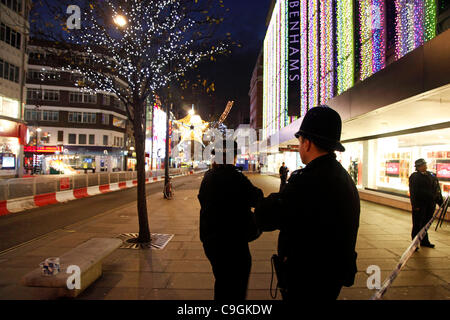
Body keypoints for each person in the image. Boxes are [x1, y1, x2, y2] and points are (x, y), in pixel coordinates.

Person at [255, 105, 360, 301]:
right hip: (332, 276)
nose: (299, 145)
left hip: (307, 278)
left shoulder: (307, 180)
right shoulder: (344, 178)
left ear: (308, 143)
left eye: (300, 140)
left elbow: (266, 217)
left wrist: (262, 201)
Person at [198, 140, 263, 300]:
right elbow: (257, 197)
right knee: (236, 288)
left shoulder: (208, 177)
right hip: (234, 244)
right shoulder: (236, 177)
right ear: (233, 157)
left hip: (212, 243)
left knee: (222, 283)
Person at [409, 158, 443, 249]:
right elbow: (413, 192)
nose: (425, 166)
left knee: (426, 224)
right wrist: (415, 205)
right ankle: (414, 244)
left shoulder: (431, 175)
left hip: (430, 204)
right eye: (423, 165)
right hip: (420, 205)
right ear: (418, 167)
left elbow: (437, 189)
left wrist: (440, 201)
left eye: (425, 164)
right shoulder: (415, 177)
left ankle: (424, 241)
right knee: (417, 224)